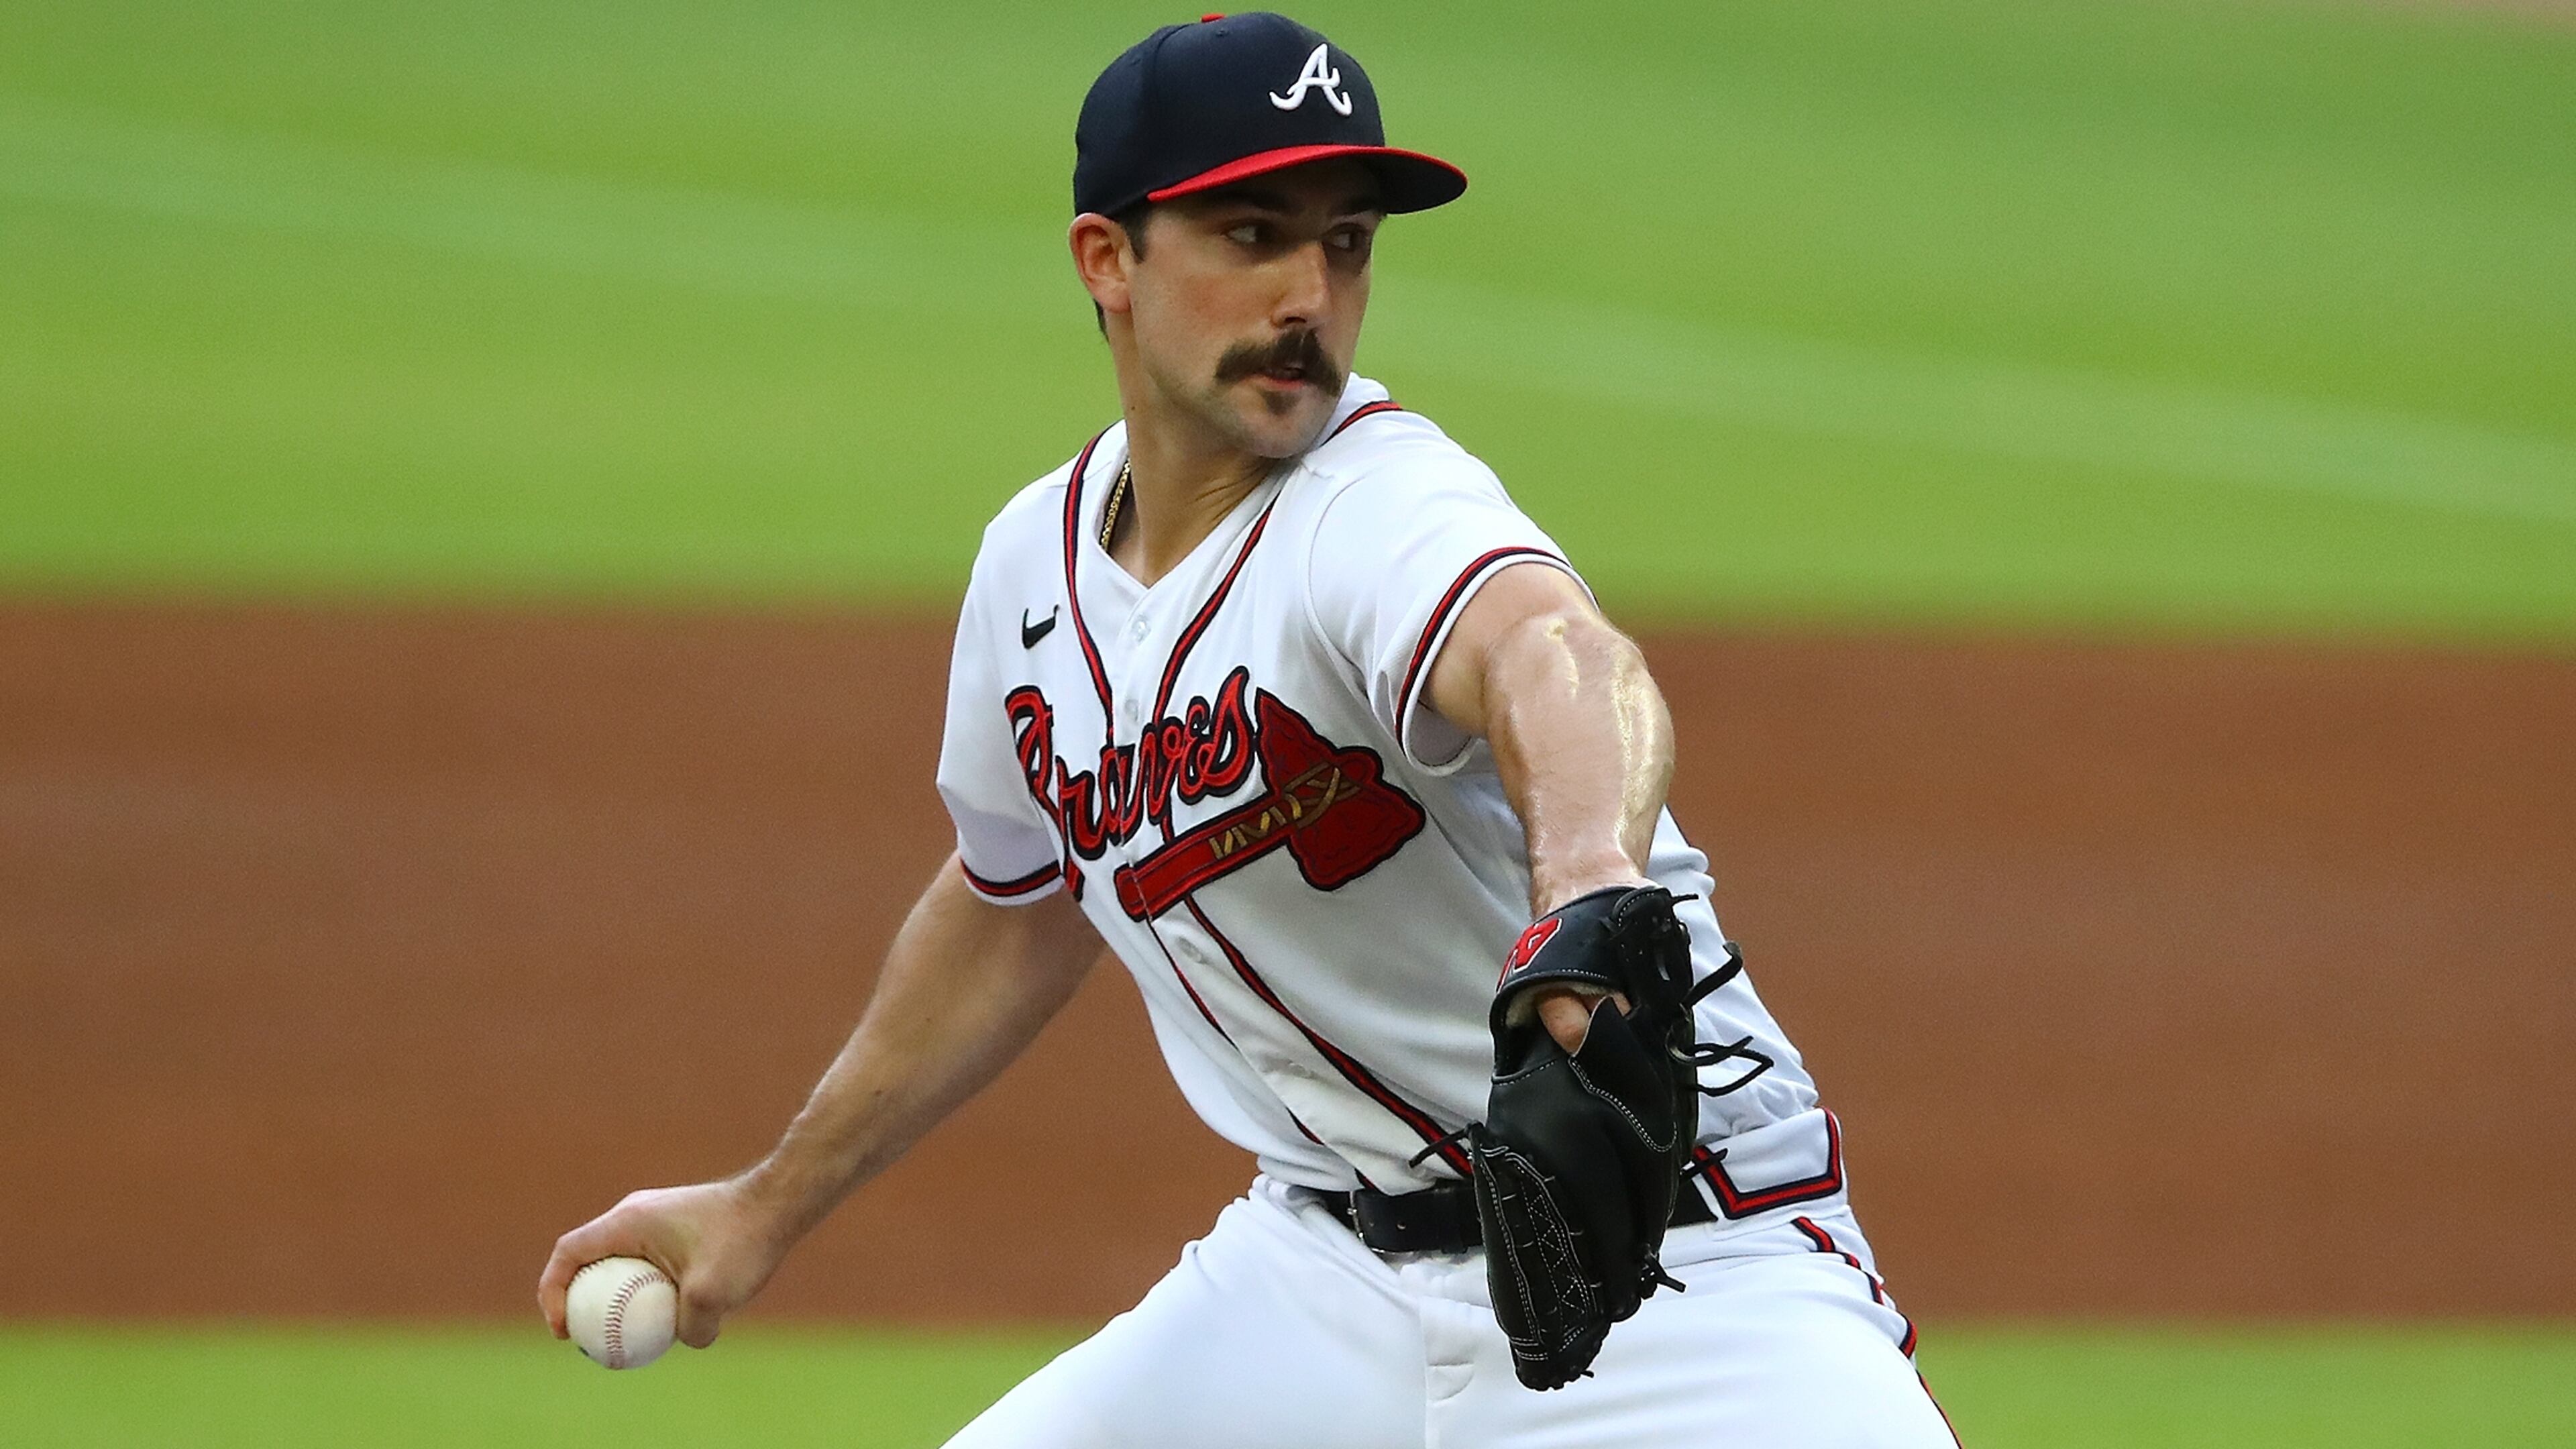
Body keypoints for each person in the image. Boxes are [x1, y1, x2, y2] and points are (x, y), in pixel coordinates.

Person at [541, 14, 1955, 1445]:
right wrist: (765, 1206)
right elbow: (1018, 900)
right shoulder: (1033, 568)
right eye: (1251, 233)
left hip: (1681, 1270)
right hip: (1320, 1280)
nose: (1309, 294)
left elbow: (1551, 649)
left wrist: (1589, 879)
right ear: (1109, 260)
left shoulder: (1376, 506)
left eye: (1344, 243)